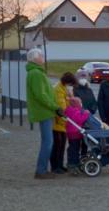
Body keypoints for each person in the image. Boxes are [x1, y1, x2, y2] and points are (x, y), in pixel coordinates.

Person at [25, 48, 62, 180]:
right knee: (48, 142)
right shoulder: (36, 73)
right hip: (44, 111)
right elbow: (41, 95)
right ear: (35, 58)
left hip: (46, 111)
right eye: (41, 55)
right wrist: (55, 106)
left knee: (47, 141)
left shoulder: (37, 72)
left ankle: (43, 169)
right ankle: (41, 170)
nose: (43, 57)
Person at [51, 72, 75, 174]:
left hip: (62, 123)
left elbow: (68, 104)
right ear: (67, 82)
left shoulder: (63, 88)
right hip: (57, 123)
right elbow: (62, 108)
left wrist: (71, 96)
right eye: (70, 84)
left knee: (62, 145)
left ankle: (60, 165)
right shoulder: (58, 90)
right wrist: (65, 120)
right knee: (57, 145)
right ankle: (55, 166)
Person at [64, 97, 90, 176]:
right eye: (80, 102)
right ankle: (73, 165)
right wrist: (86, 113)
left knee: (73, 148)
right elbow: (80, 119)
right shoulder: (75, 111)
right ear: (77, 104)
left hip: (71, 133)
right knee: (75, 150)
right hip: (75, 133)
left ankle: (72, 163)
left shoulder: (68, 110)